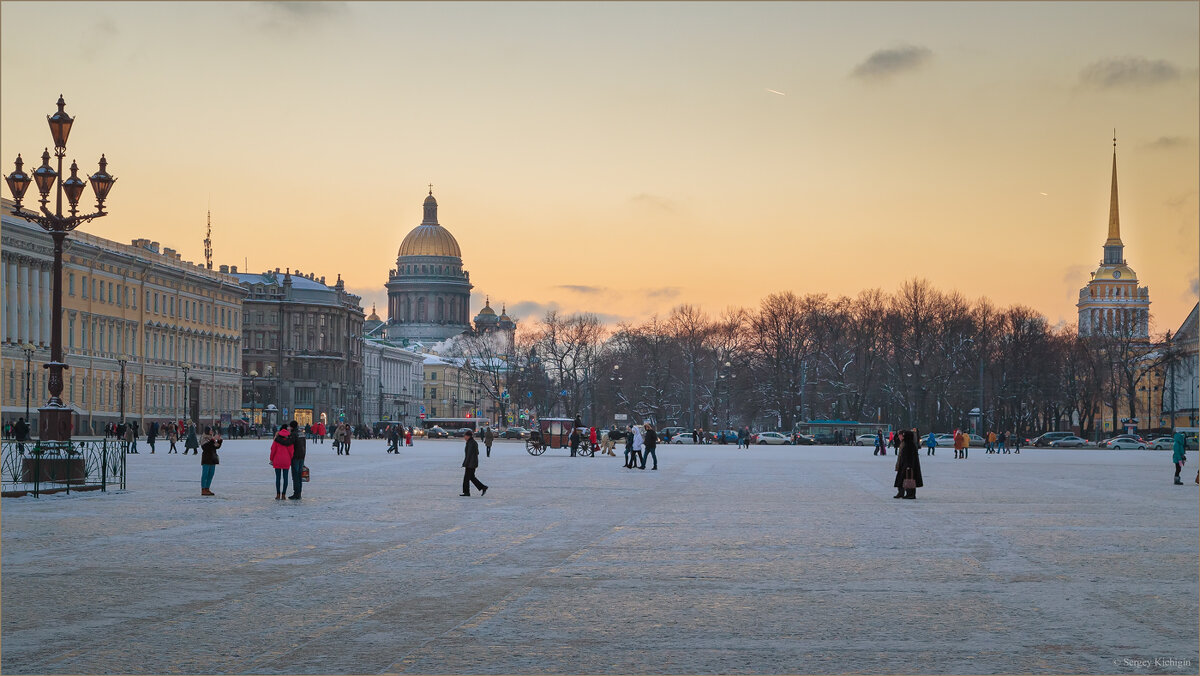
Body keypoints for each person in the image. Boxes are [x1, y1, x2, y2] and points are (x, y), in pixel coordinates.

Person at [893, 429, 923, 499]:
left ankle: (910, 494)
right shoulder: (906, 443)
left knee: (909, 480)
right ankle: (902, 493)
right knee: (902, 479)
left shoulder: (909, 444)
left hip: (908, 466)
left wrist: (909, 466)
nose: (901, 437)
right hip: (904, 465)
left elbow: (910, 457)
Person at [460, 429, 488, 497]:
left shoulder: (471, 443)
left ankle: (466, 492)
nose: (464, 437)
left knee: (466, 478)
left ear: (468, 436)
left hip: (470, 464)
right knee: (471, 477)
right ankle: (483, 487)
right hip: (473, 463)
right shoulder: (472, 442)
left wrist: (465, 463)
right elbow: (476, 452)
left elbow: (469, 455)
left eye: (465, 436)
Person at [270, 424, 294, 500]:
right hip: (286, 461)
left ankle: (278, 494)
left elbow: (273, 450)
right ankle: (283, 494)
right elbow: (291, 452)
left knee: (278, 478)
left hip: (277, 460)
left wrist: (271, 459)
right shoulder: (289, 442)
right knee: (285, 478)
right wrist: (290, 459)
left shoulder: (276, 441)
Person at [199, 426, 222, 496]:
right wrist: (213, 440)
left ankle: (207, 488)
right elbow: (205, 447)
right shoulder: (204, 438)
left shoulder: (211, 438)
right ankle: (203, 489)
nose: (212, 431)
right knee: (205, 474)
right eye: (211, 430)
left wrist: (219, 441)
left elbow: (216, 446)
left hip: (212, 458)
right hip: (206, 458)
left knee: (211, 474)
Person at [288, 420, 307, 499]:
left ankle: (296, 493)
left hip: (295, 456)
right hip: (301, 456)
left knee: (295, 475)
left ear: (292, 427)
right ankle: (299, 493)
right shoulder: (302, 433)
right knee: (299, 475)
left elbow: (289, 444)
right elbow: (304, 445)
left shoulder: (293, 434)